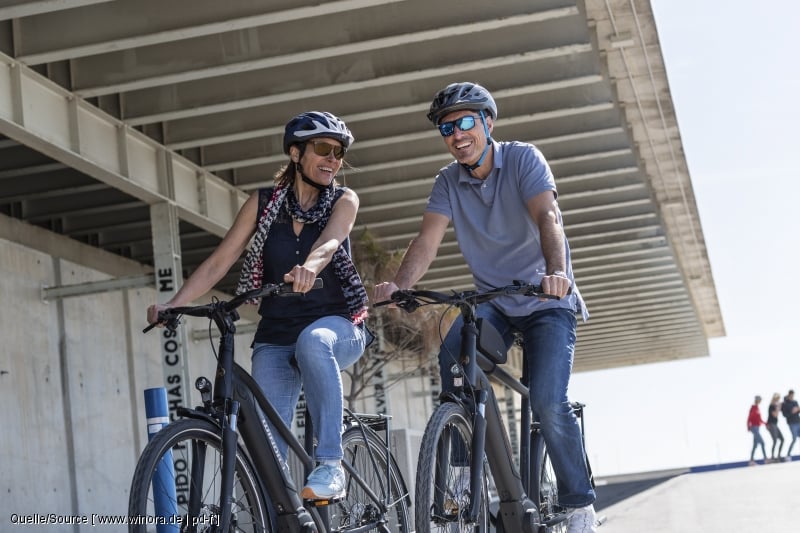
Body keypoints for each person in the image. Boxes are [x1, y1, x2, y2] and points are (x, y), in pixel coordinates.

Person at [373, 82, 596, 533]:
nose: (457, 134)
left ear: (488, 122)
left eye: (466, 122)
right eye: (447, 128)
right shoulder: (447, 182)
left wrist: (558, 274)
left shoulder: (523, 159)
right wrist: (399, 286)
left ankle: (579, 505)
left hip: (544, 300)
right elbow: (427, 240)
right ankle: (459, 478)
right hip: (494, 302)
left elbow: (547, 218)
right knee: (453, 357)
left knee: (549, 401)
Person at [147, 111, 371, 500]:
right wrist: (174, 304)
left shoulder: (343, 200)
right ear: (296, 152)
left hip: (337, 326)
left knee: (313, 342)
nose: (333, 159)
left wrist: (308, 268)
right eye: (324, 149)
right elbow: (221, 260)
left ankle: (331, 465)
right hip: (277, 333)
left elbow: (330, 244)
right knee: (266, 457)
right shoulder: (264, 204)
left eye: (339, 153)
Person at [746, 395, 768, 465]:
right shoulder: (753, 408)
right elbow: (749, 418)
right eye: (759, 400)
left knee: (755, 445)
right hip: (754, 428)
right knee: (762, 443)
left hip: (757, 428)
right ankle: (765, 459)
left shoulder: (758, 408)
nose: (760, 401)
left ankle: (751, 460)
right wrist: (748, 427)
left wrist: (766, 423)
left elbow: (760, 419)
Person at [782, 389, 800, 461]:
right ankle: (788, 455)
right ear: (788, 395)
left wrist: (797, 409)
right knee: (794, 439)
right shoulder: (785, 404)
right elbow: (784, 415)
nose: (792, 396)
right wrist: (792, 412)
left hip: (798, 422)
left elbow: (798, 410)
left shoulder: (795, 402)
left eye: (793, 395)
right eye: (791, 395)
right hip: (792, 424)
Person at [766, 392, 785, 461]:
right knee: (775, 440)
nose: (777, 401)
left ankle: (778, 456)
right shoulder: (771, 406)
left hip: (775, 425)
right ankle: (773, 457)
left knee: (782, 439)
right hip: (771, 424)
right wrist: (778, 407)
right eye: (777, 399)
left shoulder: (775, 406)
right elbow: (775, 415)